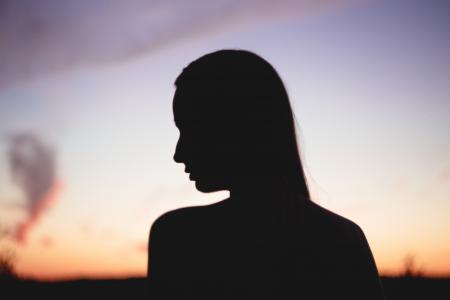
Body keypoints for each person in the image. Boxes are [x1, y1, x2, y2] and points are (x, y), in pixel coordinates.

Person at [147, 49, 385, 299]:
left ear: (237, 126)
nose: (178, 153)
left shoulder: (179, 238)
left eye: (191, 130)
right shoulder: (344, 240)